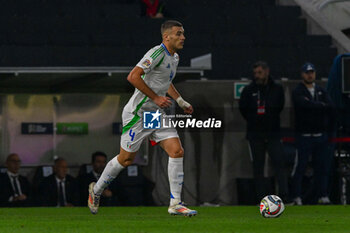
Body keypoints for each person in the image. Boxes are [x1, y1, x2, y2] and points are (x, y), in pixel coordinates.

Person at [88, 20, 197, 216]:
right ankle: (96, 191)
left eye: (183, 33)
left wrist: (180, 101)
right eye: (179, 34)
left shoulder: (175, 57)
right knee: (126, 159)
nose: (183, 37)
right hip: (137, 113)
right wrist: (155, 97)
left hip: (154, 114)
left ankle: (175, 203)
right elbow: (133, 76)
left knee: (177, 151)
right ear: (167, 37)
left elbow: (165, 82)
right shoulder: (156, 53)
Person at [239, 61, 289, 202]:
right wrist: (255, 121)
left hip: (273, 133)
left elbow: (279, 106)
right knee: (258, 167)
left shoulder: (277, 89)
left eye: (260, 73)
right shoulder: (249, 90)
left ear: (267, 72)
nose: (257, 76)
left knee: (279, 164)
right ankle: (260, 198)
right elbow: (243, 109)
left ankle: (284, 196)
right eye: (255, 73)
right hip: (255, 134)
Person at [291, 62, 335, 205]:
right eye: (307, 72)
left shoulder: (321, 91)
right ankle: (297, 196)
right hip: (304, 136)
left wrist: (315, 106)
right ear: (302, 74)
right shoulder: (298, 91)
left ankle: (322, 194)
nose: (310, 75)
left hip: (319, 135)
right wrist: (319, 106)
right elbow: (303, 105)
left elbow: (330, 106)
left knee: (322, 167)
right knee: (301, 167)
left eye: (312, 72)